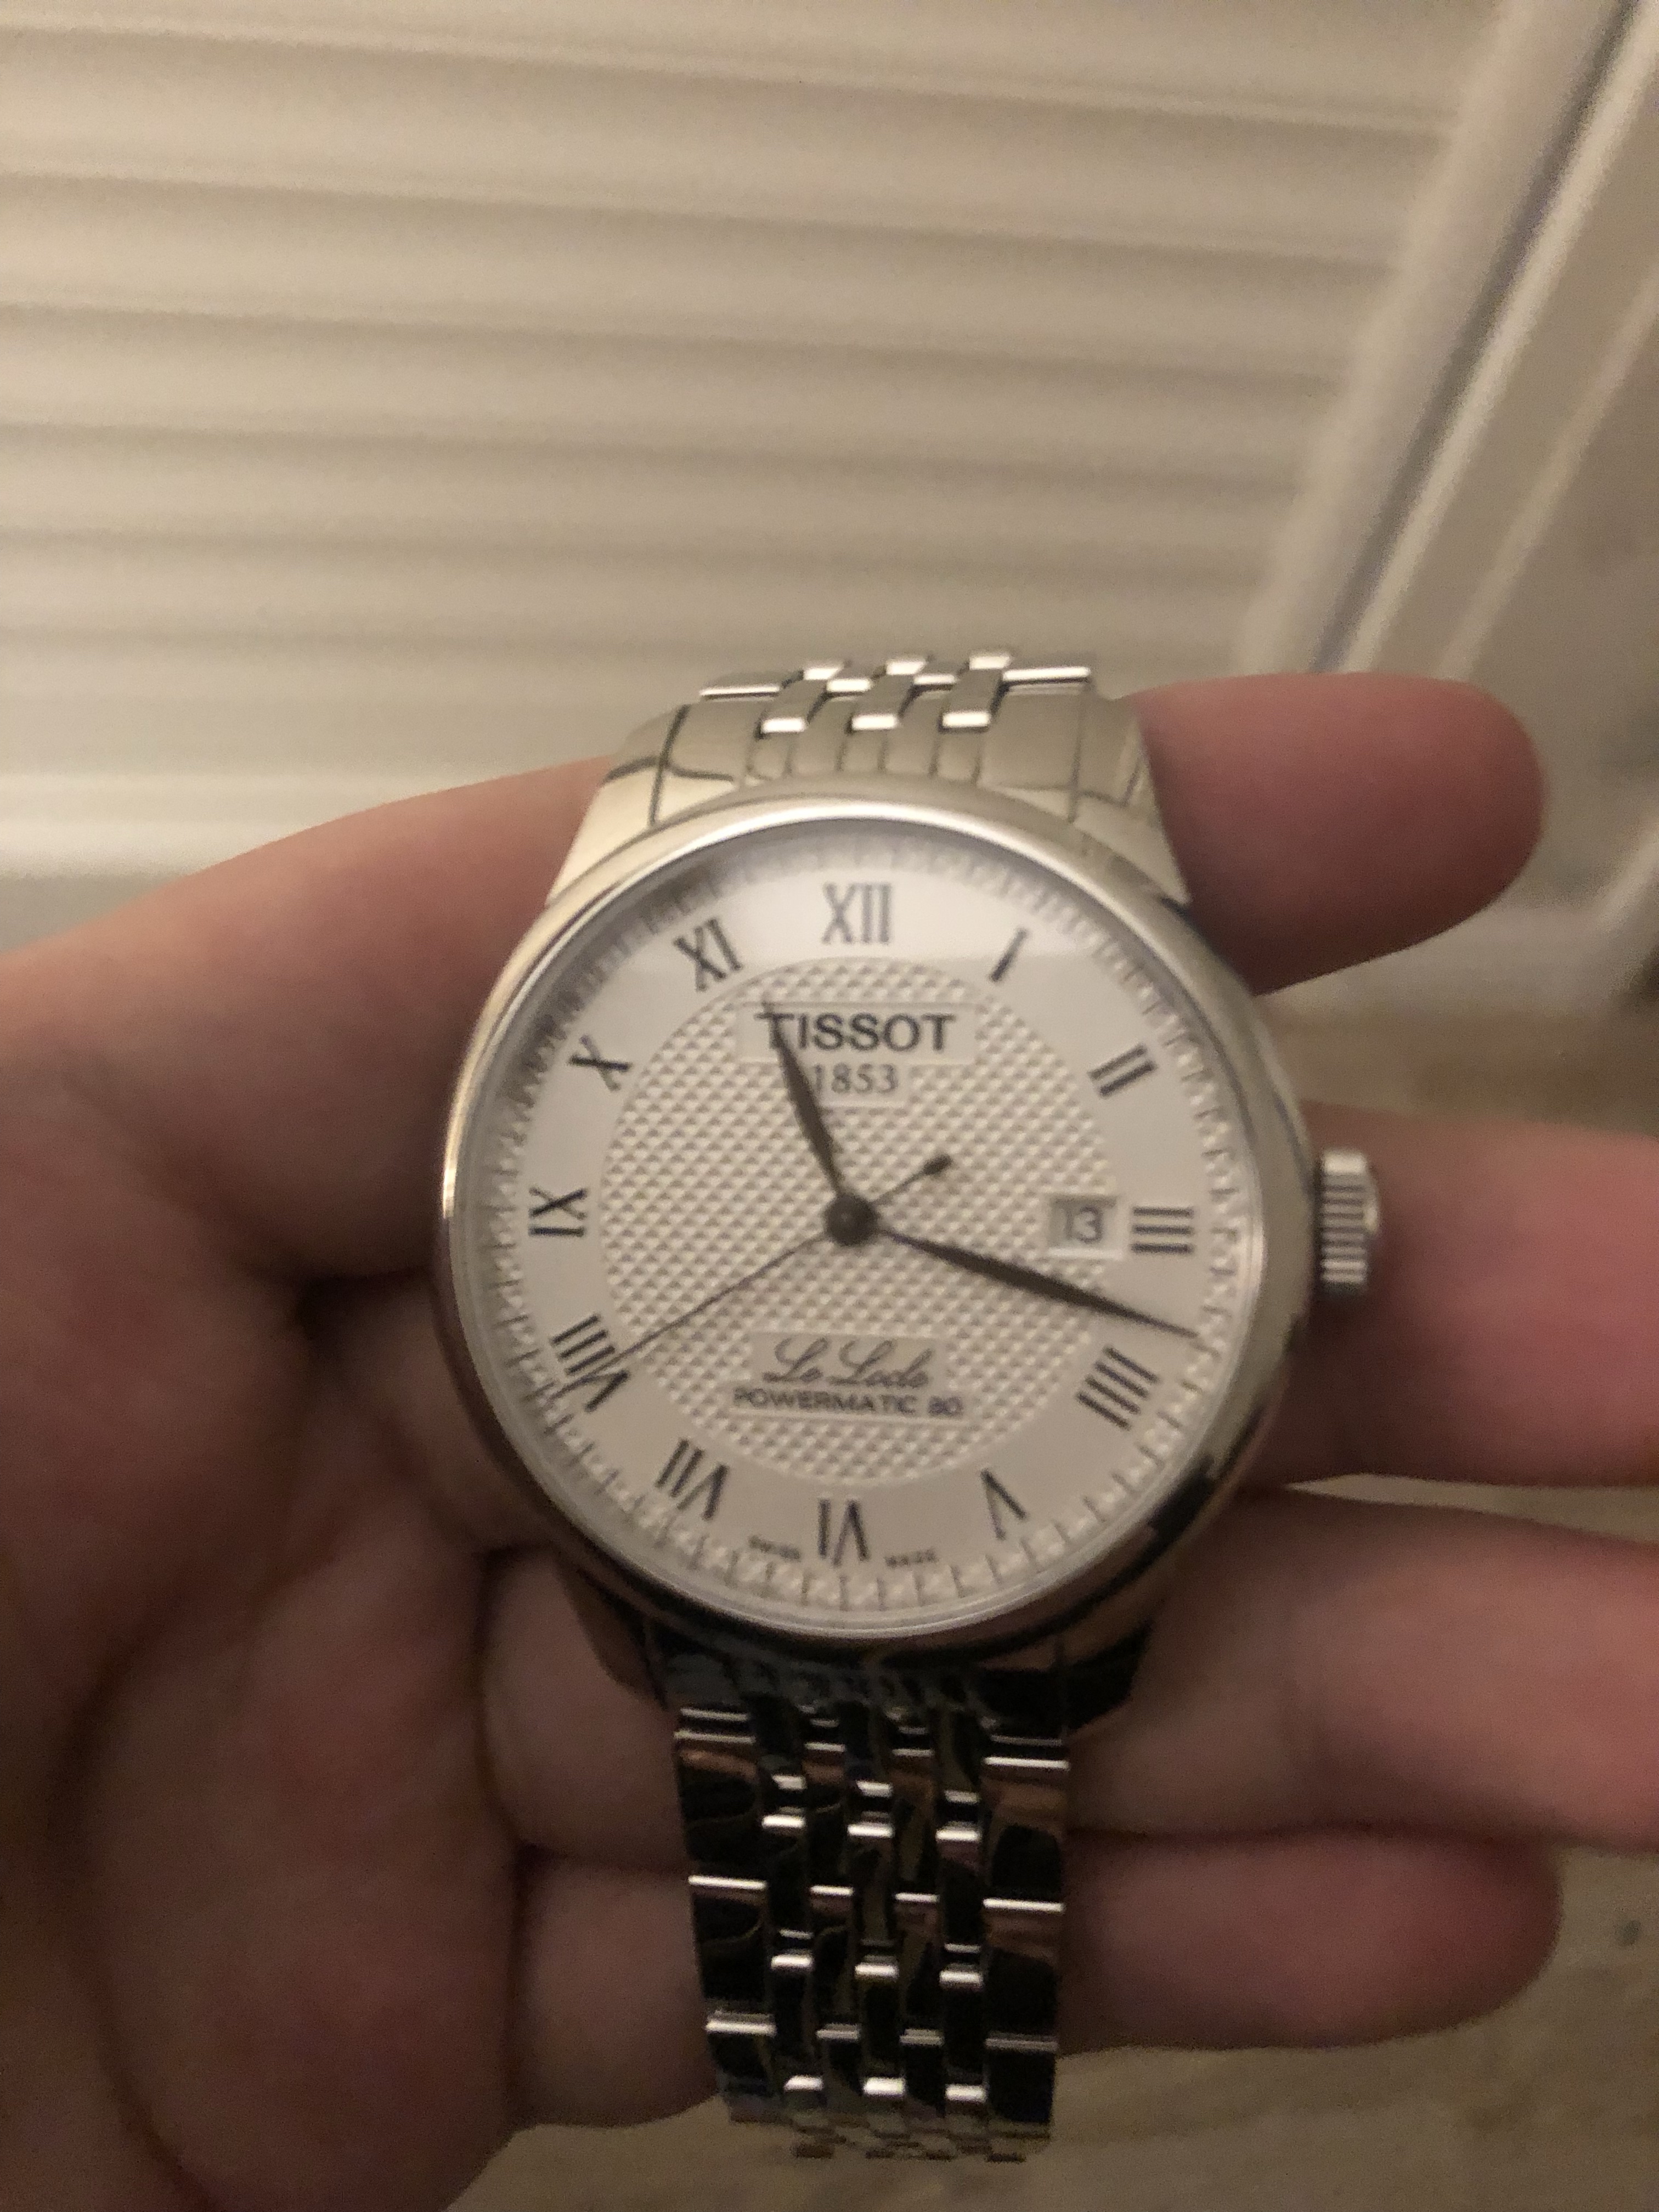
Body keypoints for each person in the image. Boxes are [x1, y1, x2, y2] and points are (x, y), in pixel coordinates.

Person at [2, 672, 1654, 2211]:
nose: (849, 1222)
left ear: (1309, 1226)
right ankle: (874, 2071)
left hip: (957, 1554)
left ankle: (880, 2073)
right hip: (687, 1558)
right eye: (837, 1209)